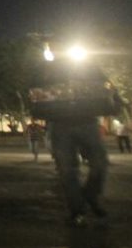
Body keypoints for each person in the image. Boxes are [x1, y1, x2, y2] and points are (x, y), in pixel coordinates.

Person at [29, 54, 117, 225]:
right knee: (67, 169)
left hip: (87, 121)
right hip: (61, 124)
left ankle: (90, 196)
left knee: (100, 163)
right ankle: (77, 208)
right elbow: (35, 92)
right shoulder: (48, 71)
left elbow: (107, 88)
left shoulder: (89, 68)